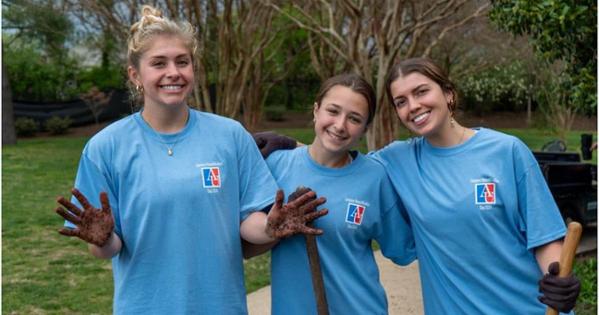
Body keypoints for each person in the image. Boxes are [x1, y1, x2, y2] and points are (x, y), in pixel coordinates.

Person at [53, 6, 326, 314]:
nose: (174, 72)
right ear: (135, 75)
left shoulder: (230, 135)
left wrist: (269, 228)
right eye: (159, 63)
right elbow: (107, 248)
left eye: (182, 61)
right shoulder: (105, 147)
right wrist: (101, 240)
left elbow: (248, 219)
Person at [256, 58, 581, 314]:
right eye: (401, 101)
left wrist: (558, 277)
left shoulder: (506, 151)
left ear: (448, 94)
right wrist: (290, 144)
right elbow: (335, 156)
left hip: (526, 307)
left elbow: (544, 236)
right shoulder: (397, 160)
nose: (413, 105)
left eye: (421, 92)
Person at [247, 74, 416, 314]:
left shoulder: (375, 178)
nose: (340, 125)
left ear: (365, 128)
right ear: (316, 110)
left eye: (354, 118)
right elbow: (246, 249)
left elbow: (404, 250)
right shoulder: (275, 166)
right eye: (333, 111)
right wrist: (273, 230)